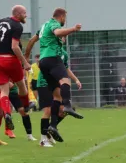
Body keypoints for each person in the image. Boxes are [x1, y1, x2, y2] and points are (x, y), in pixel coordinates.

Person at [25, 8, 83, 142]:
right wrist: (73, 29)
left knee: (57, 96)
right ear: (61, 16)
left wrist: (26, 58)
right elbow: (57, 32)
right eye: (65, 18)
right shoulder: (53, 24)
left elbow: (31, 41)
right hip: (50, 61)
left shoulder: (44, 28)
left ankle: (53, 126)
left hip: (45, 62)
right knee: (64, 83)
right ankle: (44, 138)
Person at [0, 5, 32, 131]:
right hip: (10, 59)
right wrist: (25, 62)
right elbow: (15, 47)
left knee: (4, 91)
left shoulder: (2, 21)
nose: (26, 15)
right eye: (24, 13)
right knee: (22, 85)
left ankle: (7, 113)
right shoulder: (17, 26)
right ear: (17, 14)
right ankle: (26, 105)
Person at [29, 37, 81, 146]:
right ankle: (43, 140)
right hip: (44, 83)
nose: (61, 38)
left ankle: (50, 131)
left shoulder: (64, 54)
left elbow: (65, 69)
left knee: (64, 110)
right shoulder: (48, 50)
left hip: (56, 84)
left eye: (63, 37)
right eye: (59, 36)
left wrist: (75, 79)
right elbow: (41, 64)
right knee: (47, 111)